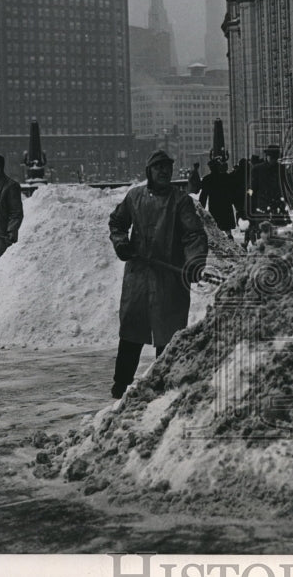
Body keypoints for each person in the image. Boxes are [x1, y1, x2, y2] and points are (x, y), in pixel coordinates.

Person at [108, 149, 209, 399]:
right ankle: (121, 384)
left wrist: (194, 262)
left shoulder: (181, 201)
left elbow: (193, 234)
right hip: (138, 274)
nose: (164, 172)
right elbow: (117, 223)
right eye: (158, 167)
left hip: (169, 278)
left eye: (167, 167)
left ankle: (164, 385)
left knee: (169, 333)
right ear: (149, 172)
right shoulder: (135, 197)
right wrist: (121, 244)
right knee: (132, 330)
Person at [248, 144, 293, 233]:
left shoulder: (281, 169)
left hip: (278, 204)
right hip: (262, 205)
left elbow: (286, 187)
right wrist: (250, 201)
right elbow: (251, 188)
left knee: (280, 230)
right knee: (264, 230)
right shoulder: (257, 169)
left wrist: (290, 201)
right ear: (267, 156)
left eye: (275, 158)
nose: (273, 160)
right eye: (271, 157)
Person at [199, 158, 236, 239]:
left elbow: (203, 196)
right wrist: (233, 202)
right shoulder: (226, 177)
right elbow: (232, 191)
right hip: (226, 204)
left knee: (215, 226)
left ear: (210, 168)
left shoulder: (207, 179)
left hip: (214, 205)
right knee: (227, 227)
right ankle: (230, 239)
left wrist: (201, 208)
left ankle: (219, 242)